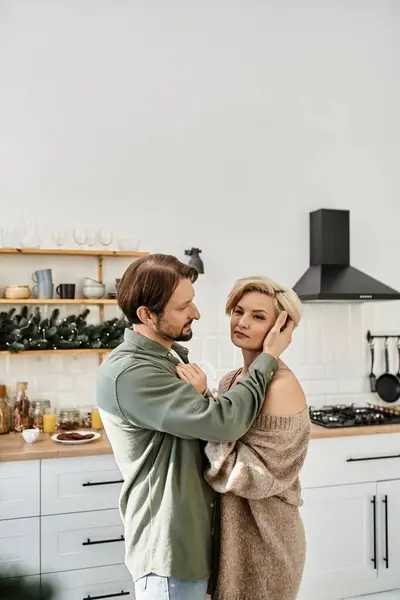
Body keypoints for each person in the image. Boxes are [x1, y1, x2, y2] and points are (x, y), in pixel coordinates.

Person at [96, 254, 294, 600]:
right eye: (183, 306)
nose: (197, 314)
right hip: (171, 550)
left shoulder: (169, 358)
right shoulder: (133, 373)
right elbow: (223, 424)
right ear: (146, 315)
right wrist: (268, 358)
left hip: (194, 545)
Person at [178, 276, 310, 600]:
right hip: (231, 540)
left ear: (282, 328)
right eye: (239, 311)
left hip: (267, 542)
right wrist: (208, 401)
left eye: (258, 316)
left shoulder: (281, 386)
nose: (242, 322)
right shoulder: (231, 381)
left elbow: (254, 476)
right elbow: (225, 433)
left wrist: (200, 405)